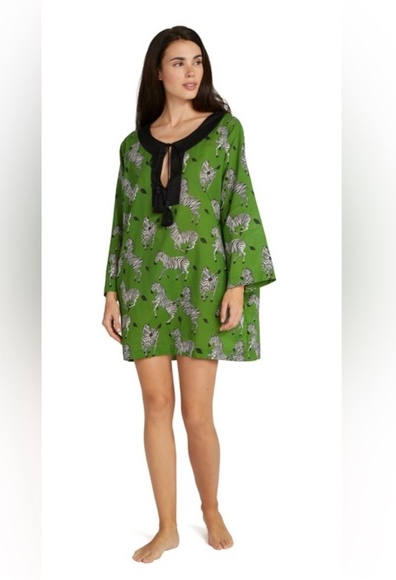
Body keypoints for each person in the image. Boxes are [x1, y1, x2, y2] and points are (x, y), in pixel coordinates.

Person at [102, 25, 276, 563]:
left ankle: (212, 509)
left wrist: (238, 283)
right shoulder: (133, 146)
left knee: (197, 414)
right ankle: (167, 527)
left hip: (203, 284)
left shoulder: (225, 131)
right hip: (143, 283)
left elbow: (238, 203)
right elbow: (122, 222)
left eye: (197, 60)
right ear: (158, 71)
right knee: (156, 405)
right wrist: (111, 291)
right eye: (178, 62)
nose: (191, 71)